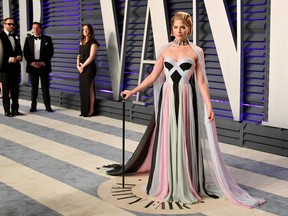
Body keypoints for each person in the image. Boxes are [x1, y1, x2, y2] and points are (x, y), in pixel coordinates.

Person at [107, 12, 266, 208]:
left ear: (189, 29)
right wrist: (133, 91)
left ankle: (185, 183)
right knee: (168, 139)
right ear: (171, 29)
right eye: (175, 27)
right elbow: (153, 77)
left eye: (183, 27)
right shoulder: (164, 50)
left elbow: (201, 81)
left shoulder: (197, 51)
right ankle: (168, 182)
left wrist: (209, 105)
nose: (179, 31)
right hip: (167, 99)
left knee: (184, 139)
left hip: (186, 99)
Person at [23, 21, 54, 112]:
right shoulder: (28, 39)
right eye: (33, 28)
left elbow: (50, 52)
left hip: (43, 66)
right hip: (32, 66)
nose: (35, 30)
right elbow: (26, 52)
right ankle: (33, 106)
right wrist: (31, 62)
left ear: (41, 29)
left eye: (37, 28)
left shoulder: (48, 39)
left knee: (45, 87)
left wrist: (43, 62)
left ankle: (48, 106)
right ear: (32, 29)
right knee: (34, 88)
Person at [0, 18, 23, 117]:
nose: (12, 26)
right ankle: (7, 110)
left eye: (13, 24)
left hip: (15, 67)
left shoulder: (15, 36)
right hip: (5, 68)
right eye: (9, 24)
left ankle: (15, 110)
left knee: (15, 89)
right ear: (4, 24)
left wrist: (19, 56)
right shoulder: (0, 36)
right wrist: (9, 59)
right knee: (6, 90)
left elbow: (18, 49)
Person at [77, 23, 99, 117]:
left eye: (87, 29)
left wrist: (83, 66)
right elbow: (78, 55)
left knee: (90, 89)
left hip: (89, 68)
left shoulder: (93, 42)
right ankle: (84, 111)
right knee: (83, 89)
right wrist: (77, 66)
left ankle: (91, 110)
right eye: (83, 29)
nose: (85, 31)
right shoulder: (81, 41)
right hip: (81, 68)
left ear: (90, 30)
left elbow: (91, 57)